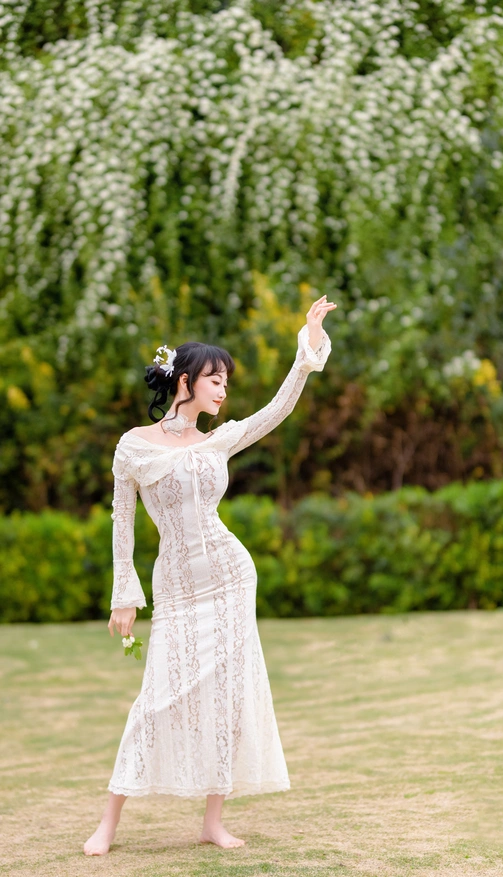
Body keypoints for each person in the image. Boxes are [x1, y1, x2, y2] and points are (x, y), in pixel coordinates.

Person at [83, 295, 336, 855]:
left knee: (227, 698)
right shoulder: (134, 447)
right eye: (214, 380)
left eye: (226, 382)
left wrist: (307, 348)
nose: (223, 390)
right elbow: (122, 524)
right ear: (185, 382)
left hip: (230, 579)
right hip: (175, 589)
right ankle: (107, 825)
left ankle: (213, 823)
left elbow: (277, 410)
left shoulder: (218, 439)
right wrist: (124, 595)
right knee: (154, 698)